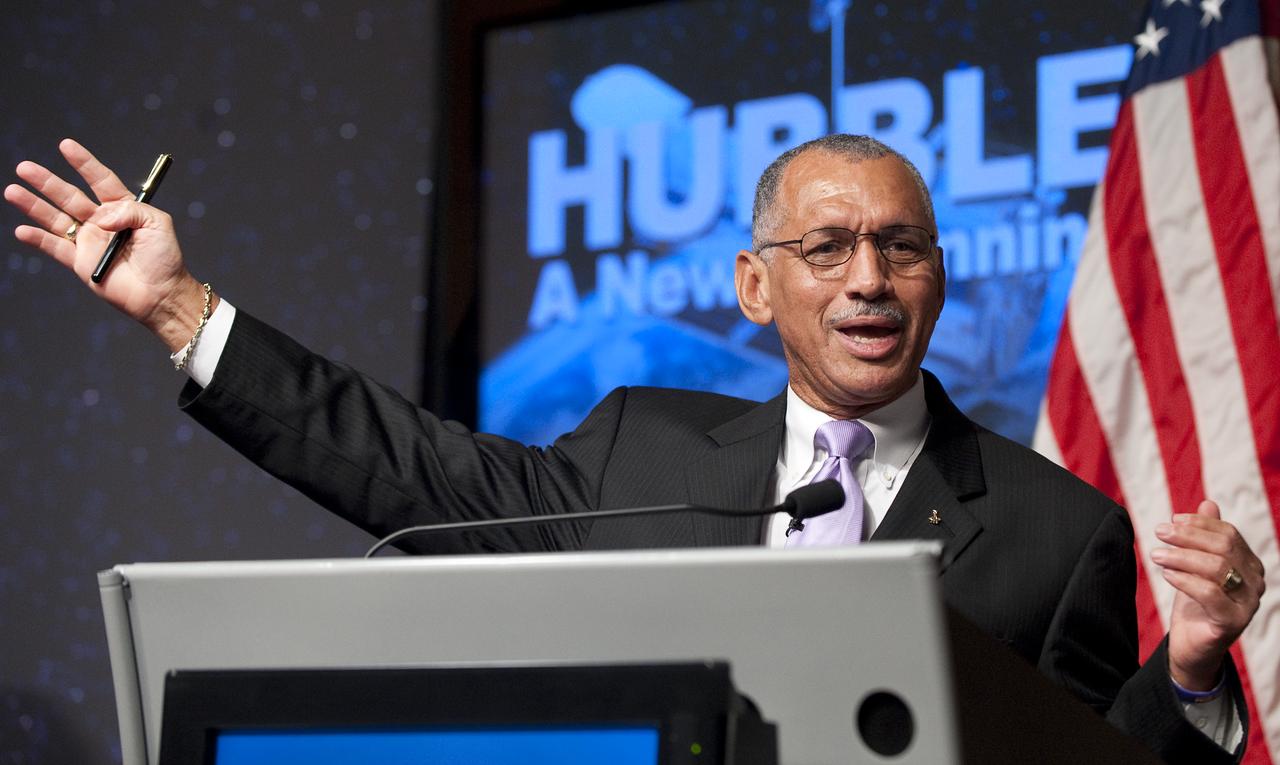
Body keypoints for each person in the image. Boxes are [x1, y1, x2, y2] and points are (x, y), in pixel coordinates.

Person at [6, 135, 1264, 762]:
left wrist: (1195, 669)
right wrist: (181, 309)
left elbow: (1107, 764)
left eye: (903, 247)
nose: (868, 280)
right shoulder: (637, 454)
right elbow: (406, 467)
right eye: (825, 249)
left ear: (938, 280)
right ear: (754, 287)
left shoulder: (1056, 528)